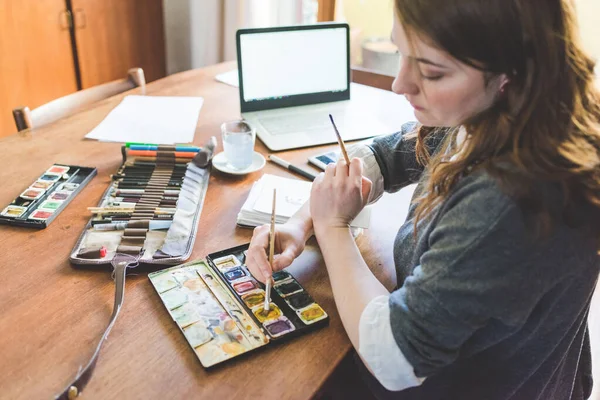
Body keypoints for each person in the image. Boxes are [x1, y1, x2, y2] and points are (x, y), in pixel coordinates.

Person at [247, 0, 600, 398]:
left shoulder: (507, 202)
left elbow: (393, 356)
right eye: (401, 52)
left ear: (510, 73)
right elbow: (385, 154)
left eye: (431, 72)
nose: (400, 84)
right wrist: (301, 221)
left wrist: (332, 228)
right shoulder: (503, 114)